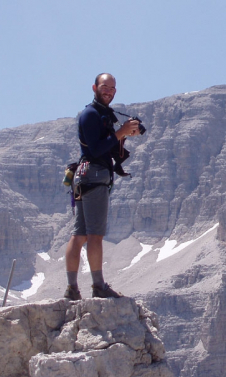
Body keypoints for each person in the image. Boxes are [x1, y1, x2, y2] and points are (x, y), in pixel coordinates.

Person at [63, 73, 141, 300]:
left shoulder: (102, 114)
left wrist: (124, 134)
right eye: (105, 87)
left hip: (85, 176)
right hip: (94, 176)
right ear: (94, 87)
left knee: (79, 235)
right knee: (94, 235)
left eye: (112, 88)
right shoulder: (90, 114)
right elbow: (96, 149)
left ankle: (72, 289)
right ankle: (98, 286)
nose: (109, 91)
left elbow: (104, 144)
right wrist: (121, 133)